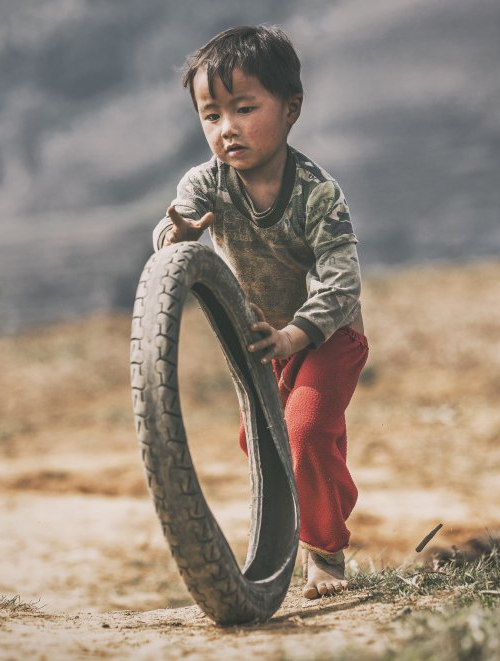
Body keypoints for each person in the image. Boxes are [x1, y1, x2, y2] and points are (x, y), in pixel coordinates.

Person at [152, 25, 368, 599]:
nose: (227, 130)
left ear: (291, 108)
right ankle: (302, 518)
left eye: (244, 109)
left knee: (306, 432)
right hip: (262, 340)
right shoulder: (205, 184)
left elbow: (342, 282)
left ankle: (327, 553)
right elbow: (175, 222)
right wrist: (175, 236)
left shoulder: (318, 194)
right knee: (263, 445)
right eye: (211, 116)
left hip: (327, 335)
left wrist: (298, 335)